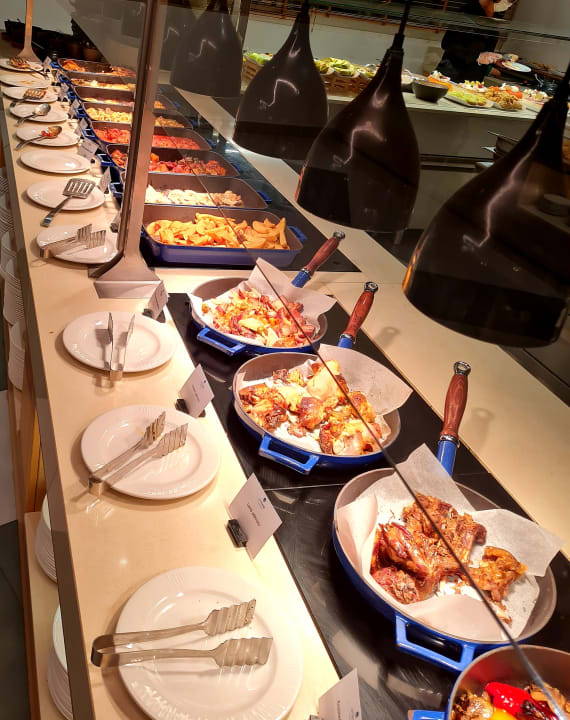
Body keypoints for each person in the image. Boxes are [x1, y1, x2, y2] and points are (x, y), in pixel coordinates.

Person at [435, 0, 517, 83]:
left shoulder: (495, 16)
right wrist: (477, 56)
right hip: (451, 74)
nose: (509, 5)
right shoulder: (469, 11)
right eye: (509, 0)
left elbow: (485, 48)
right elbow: (447, 44)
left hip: (474, 80)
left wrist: (495, 60)